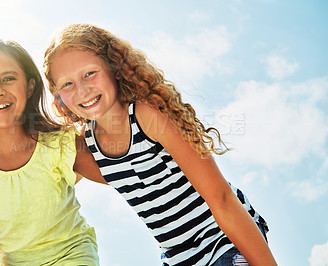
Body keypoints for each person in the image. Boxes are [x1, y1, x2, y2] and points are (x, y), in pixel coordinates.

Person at [43, 24, 278, 266]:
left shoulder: (148, 115)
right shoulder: (86, 147)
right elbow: (41, 175)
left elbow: (222, 198)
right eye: (67, 84)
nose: (82, 90)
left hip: (222, 238)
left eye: (89, 73)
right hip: (178, 258)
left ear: (114, 67)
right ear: (58, 96)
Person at [0, 38, 100, 266]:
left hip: (72, 256)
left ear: (29, 86)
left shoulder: (60, 144)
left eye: (8, 79)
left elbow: (120, 176)